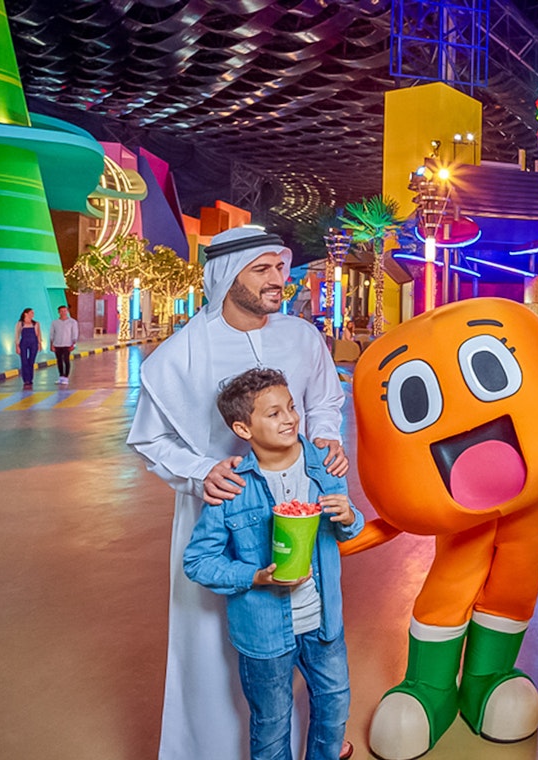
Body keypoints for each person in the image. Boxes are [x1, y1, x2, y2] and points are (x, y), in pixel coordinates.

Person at [127, 226, 349, 760]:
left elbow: (324, 400)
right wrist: (203, 471)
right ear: (227, 277)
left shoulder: (301, 336)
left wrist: (326, 435)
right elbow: (149, 439)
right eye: (264, 270)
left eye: (281, 268)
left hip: (297, 504)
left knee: (308, 627)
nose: (280, 281)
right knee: (215, 647)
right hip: (221, 509)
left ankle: (310, 745)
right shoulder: (180, 354)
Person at [184, 368, 362, 760]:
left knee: (333, 709)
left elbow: (350, 530)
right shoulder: (232, 485)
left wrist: (349, 518)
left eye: (291, 408)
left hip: (324, 624)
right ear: (242, 428)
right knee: (271, 724)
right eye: (274, 413)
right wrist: (253, 576)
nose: (290, 419)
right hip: (264, 636)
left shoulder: (324, 465)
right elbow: (198, 561)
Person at [49, 304, 78, 385]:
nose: (63, 313)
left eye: (65, 311)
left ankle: (66, 377)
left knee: (66, 360)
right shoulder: (55, 322)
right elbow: (52, 334)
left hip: (67, 344)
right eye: (61, 311)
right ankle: (61, 376)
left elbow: (75, 333)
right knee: (59, 361)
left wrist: (73, 344)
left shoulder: (72, 322)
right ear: (58, 312)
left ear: (67, 311)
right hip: (57, 344)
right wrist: (51, 344)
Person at [14, 307, 41, 388]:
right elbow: (17, 335)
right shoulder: (20, 323)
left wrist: (39, 344)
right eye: (31, 313)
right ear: (26, 314)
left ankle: (30, 378)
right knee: (24, 360)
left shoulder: (35, 323)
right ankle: (26, 379)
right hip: (24, 343)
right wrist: (17, 346)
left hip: (34, 343)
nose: (33, 314)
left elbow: (38, 334)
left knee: (31, 360)